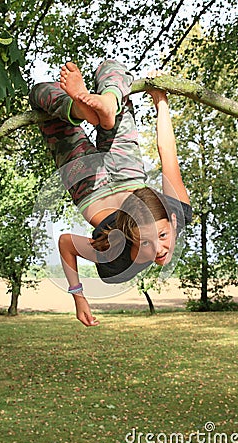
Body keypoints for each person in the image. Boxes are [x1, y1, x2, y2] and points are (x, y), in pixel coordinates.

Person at [30, 59, 192, 327]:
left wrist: (77, 296)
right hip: (114, 172)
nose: (159, 249)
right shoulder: (177, 212)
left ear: (129, 234)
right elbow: (168, 155)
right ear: (173, 221)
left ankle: (82, 109)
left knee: (40, 93)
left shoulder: (116, 264)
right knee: (110, 67)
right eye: (162, 236)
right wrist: (160, 101)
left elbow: (65, 243)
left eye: (147, 243)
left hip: (90, 182)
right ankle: (105, 104)